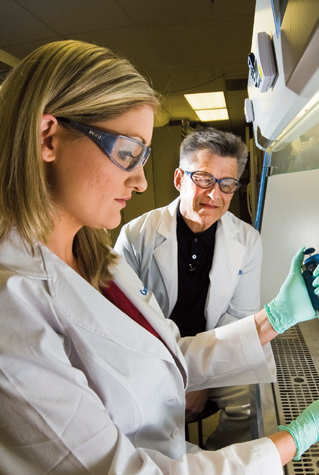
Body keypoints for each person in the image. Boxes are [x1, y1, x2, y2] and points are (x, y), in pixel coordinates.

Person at [0, 40, 319, 475]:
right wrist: (298, 437)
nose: (140, 181)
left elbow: (168, 354)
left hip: (180, 457)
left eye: (142, 158)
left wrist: (275, 317)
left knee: (243, 404)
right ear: (47, 137)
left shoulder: (99, 258)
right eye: (127, 153)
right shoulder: (10, 310)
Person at [114, 128, 266, 449]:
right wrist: (180, 376)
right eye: (204, 179)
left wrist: (202, 380)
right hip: (152, 356)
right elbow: (128, 321)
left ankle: (212, 464)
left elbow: (238, 318)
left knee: (251, 402)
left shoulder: (248, 240)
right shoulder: (136, 236)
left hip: (217, 354)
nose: (214, 195)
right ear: (179, 179)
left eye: (227, 185)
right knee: (143, 418)